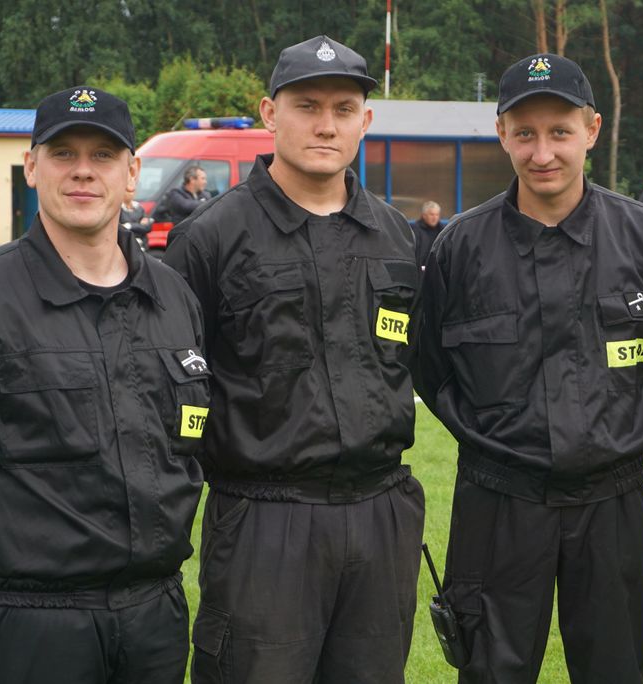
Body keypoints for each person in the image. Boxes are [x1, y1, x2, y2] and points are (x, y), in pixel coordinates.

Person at [416, 52, 643, 684]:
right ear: (502, 134)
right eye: (525, 133)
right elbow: (431, 369)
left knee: (615, 669)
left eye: (560, 132)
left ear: (591, 130)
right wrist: (496, 440)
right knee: (490, 672)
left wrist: (616, 426)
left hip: (612, 502)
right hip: (497, 503)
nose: (542, 153)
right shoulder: (460, 246)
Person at [163, 35, 424, 683]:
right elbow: (171, 390)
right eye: (307, 106)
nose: (325, 124)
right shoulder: (212, 237)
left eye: (343, 108)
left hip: (380, 516)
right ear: (270, 113)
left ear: (365, 120)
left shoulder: (395, 235)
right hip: (264, 522)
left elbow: (417, 360)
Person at [0, 86, 208, 683]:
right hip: (27, 625)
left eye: (103, 155)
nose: (83, 171)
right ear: (32, 166)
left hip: (155, 621)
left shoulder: (174, 299)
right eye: (63, 153)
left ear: (131, 173)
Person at [410, 200, 443, 269]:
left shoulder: (443, 231)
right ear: (424, 215)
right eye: (432, 214)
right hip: (421, 270)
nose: (434, 218)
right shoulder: (415, 230)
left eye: (437, 215)